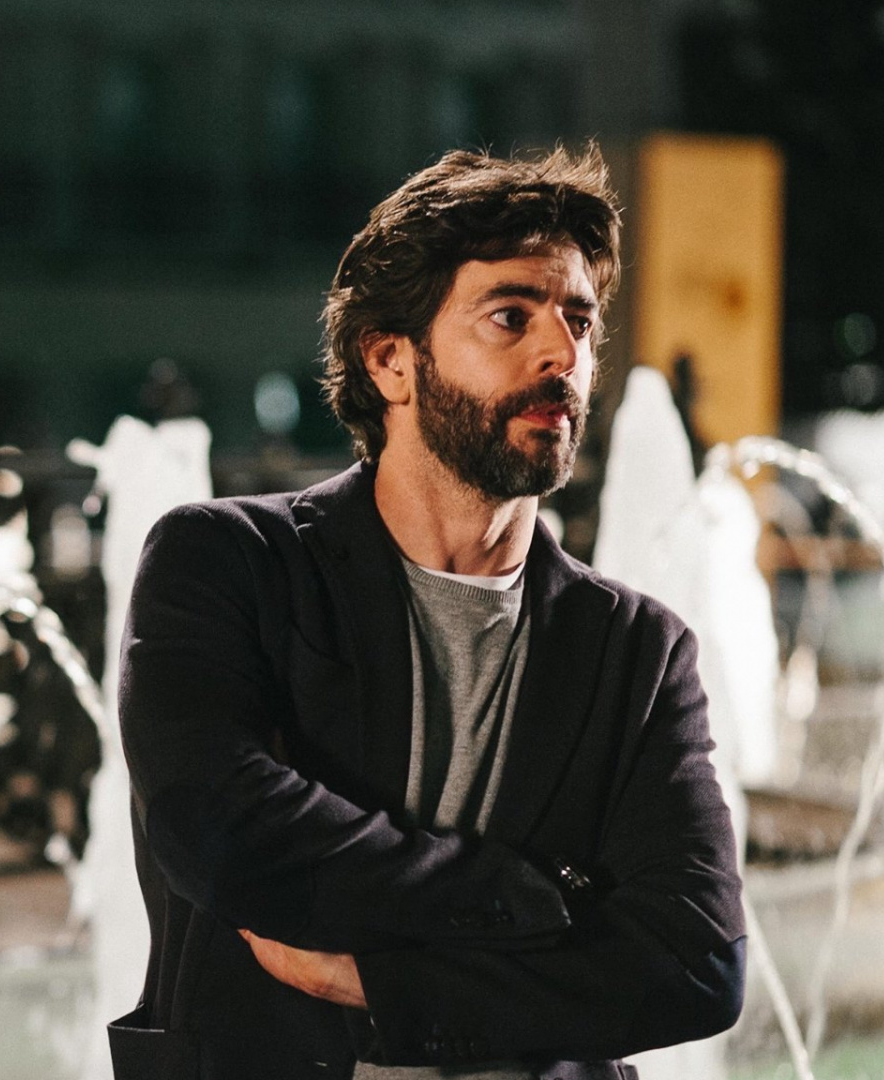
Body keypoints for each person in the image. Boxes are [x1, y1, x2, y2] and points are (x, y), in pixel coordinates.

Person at [108, 147, 746, 1080]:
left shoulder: (638, 650)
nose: (562, 355)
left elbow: (697, 963)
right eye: (510, 316)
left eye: (580, 320)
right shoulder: (227, 563)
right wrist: (531, 901)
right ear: (391, 361)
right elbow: (219, 828)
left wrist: (389, 984)